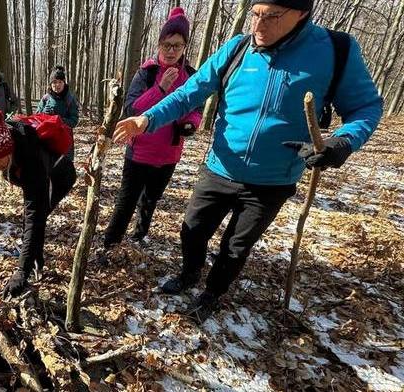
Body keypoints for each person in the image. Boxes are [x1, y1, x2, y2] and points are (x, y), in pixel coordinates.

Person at [113, 0, 382, 323]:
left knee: (236, 247)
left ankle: (212, 292)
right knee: (192, 231)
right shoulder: (238, 49)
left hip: (272, 180)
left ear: (302, 14)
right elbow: (190, 93)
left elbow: (366, 107)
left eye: (271, 17)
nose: (259, 25)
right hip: (220, 167)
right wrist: (147, 120)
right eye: (255, 14)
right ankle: (190, 273)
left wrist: (343, 141)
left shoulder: (335, 51)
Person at [98, 8, 201, 264]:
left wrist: (191, 124)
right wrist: (160, 88)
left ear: (184, 47)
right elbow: (132, 109)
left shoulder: (191, 75)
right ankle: (109, 243)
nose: (171, 50)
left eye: (177, 45)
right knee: (127, 199)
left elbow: (196, 108)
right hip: (140, 151)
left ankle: (139, 235)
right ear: (159, 44)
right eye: (167, 44)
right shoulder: (147, 72)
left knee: (151, 199)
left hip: (169, 153)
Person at [0, 110, 76, 297]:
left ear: (9, 151)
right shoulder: (3, 135)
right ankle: (34, 257)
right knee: (33, 221)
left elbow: (33, 218)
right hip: (37, 175)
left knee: (36, 219)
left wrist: (22, 271)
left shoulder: (32, 161)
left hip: (59, 177)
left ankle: (32, 262)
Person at [35, 65, 80, 160]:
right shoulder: (46, 98)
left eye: (60, 82)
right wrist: (43, 113)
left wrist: (59, 120)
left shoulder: (70, 99)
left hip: (65, 140)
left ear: (64, 83)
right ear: (51, 84)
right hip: (48, 139)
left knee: (64, 167)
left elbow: (74, 121)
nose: (57, 85)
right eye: (54, 82)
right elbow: (36, 118)